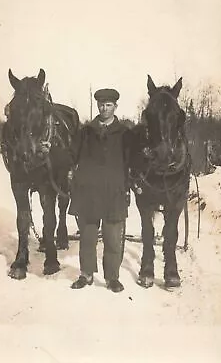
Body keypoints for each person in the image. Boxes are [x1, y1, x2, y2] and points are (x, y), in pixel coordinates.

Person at [69, 88, 131, 292]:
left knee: (113, 238)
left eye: (108, 105)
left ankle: (112, 277)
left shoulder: (124, 133)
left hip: (114, 192)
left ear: (115, 106)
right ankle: (86, 274)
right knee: (87, 237)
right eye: (101, 105)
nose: (104, 108)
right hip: (89, 193)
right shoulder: (86, 131)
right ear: (97, 106)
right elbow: (73, 155)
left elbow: (131, 161)